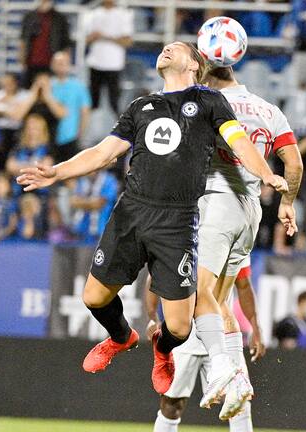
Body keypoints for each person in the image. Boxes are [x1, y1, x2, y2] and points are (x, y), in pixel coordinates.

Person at [16, 42, 288, 398]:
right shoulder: (141, 106)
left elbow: (240, 144)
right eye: (164, 47)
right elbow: (103, 152)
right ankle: (121, 337)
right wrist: (57, 172)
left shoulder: (209, 103)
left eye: (176, 49)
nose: (166, 50)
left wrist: (266, 175)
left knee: (178, 325)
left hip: (177, 220)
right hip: (132, 211)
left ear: (195, 64)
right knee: (94, 298)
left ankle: (162, 350)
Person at [187, 62, 303, 420]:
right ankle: (239, 381)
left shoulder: (205, 101)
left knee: (199, 295)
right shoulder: (269, 109)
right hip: (249, 210)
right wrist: (287, 203)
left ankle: (222, 370)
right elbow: (294, 165)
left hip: (218, 199)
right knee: (220, 301)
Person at [144, 261, 272, 432]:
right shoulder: (191, 234)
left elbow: (244, 285)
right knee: (172, 404)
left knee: (241, 403)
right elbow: (155, 277)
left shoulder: (235, 235)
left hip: (225, 333)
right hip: (186, 332)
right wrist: (152, 318)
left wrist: (255, 326)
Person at [83, 0, 134, 115]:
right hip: (95, 63)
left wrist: (105, 36)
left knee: (114, 103)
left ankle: (118, 130)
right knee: (93, 102)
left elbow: (128, 41)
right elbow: (86, 39)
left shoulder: (124, 14)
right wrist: (94, 37)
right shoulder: (93, 13)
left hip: (114, 64)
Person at [0, 73, 35, 171]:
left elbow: (19, 116)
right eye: (5, 83)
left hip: (20, 132)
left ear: (16, 83)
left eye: (10, 83)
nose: (7, 85)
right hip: (0, 133)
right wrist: (12, 108)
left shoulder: (25, 95)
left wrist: (3, 111)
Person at [48, 51, 92, 164]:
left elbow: (85, 112)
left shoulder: (79, 86)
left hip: (70, 136)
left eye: (63, 62)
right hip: (49, 136)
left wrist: (80, 134)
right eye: (57, 62)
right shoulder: (47, 85)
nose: (60, 65)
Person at [19, 0, 72, 86]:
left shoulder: (60, 18)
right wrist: (22, 57)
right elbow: (24, 39)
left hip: (52, 63)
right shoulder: (29, 17)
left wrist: (64, 62)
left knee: (52, 89)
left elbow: (66, 43)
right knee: (30, 89)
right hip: (32, 62)